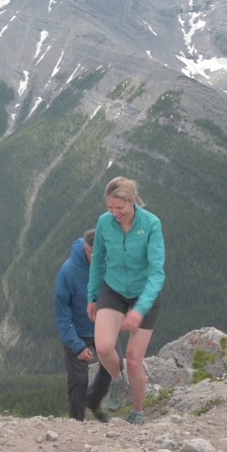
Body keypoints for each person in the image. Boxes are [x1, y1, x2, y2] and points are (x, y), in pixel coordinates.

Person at [85, 176, 166, 425]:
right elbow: (98, 260)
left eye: (119, 208)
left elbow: (157, 272)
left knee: (133, 359)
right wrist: (92, 296)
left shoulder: (151, 224)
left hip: (145, 293)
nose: (114, 213)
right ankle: (118, 382)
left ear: (132, 202)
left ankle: (139, 412)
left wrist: (139, 310)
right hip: (114, 288)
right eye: (110, 208)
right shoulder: (104, 223)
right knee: (104, 347)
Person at [54, 229, 97, 420]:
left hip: (103, 328)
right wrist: (77, 346)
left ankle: (104, 410)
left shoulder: (108, 263)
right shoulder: (68, 272)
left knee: (116, 365)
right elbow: (62, 315)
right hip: (77, 332)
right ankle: (76, 423)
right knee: (79, 380)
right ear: (87, 251)